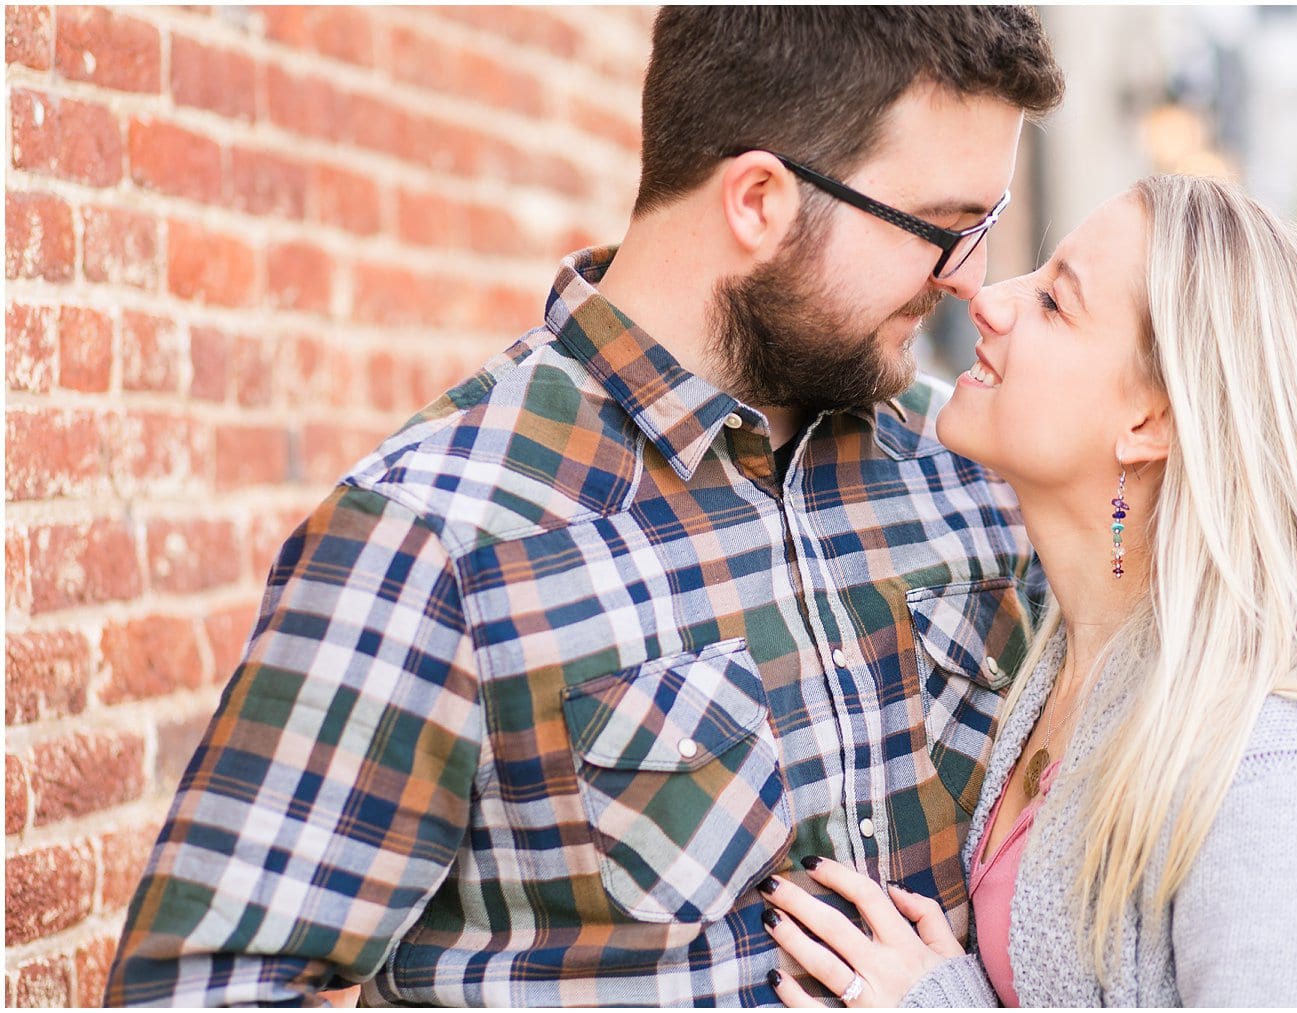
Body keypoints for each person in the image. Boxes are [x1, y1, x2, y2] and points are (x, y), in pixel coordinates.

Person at [104, 8, 1064, 1007]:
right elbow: (206, 988)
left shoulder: (971, 472)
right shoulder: (438, 536)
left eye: (984, 230)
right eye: (945, 231)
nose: (969, 282)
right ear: (760, 200)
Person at [758, 175, 1297, 1007]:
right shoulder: (1060, 660)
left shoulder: (1265, 780)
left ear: (1149, 422)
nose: (989, 301)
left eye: (1055, 304)